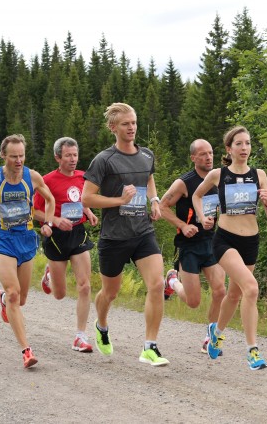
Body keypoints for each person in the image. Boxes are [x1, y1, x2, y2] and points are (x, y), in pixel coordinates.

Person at [81, 102, 169, 366]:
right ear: (113, 128)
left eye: (134, 123)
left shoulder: (146, 155)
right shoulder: (104, 160)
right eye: (125, 124)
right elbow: (87, 197)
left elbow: (148, 178)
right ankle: (102, 325)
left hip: (142, 231)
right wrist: (119, 200)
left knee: (157, 284)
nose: (131, 128)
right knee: (110, 293)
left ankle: (149, 346)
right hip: (114, 236)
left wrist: (154, 200)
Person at [193, 126, 267, 370]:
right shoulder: (218, 175)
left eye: (248, 143)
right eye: (239, 144)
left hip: (251, 240)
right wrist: (203, 217)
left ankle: (216, 335)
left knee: (235, 294)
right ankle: (253, 351)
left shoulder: (259, 175)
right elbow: (197, 197)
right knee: (251, 288)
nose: (244, 148)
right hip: (225, 239)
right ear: (229, 149)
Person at [0, 134, 55, 369]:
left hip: (26, 239)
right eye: (13, 156)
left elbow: (49, 199)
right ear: (3, 156)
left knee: (21, 298)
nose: (18, 161)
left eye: (22, 156)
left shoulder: (33, 176)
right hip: (2, 239)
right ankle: (27, 351)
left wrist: (48, 223)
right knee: (15, 292)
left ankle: (4, 299)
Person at [159, 139, 227, 354]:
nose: (209, 157)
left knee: (220, 290)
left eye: (210, 153)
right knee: (193, 302)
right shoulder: (184, 183)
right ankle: (172, 281)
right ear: (193, 158)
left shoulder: (218, 178)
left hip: (211, 242)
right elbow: (162, 206)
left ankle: (210, 337)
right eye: (203, 154)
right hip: (188, 245)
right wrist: (183, 225)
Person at [33, 137, 98, 353]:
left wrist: (88, 212)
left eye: (75, 155)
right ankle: (50, 274)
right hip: (56, 237)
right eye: (68, 155)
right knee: (59, 294)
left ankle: (80, 336)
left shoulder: (83, 177)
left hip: (78, 234)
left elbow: (82, 200)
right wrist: (54, 220)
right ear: (58, 158)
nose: (73, 159)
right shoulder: (47, 180)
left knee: (85, 285)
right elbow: (35, 211)